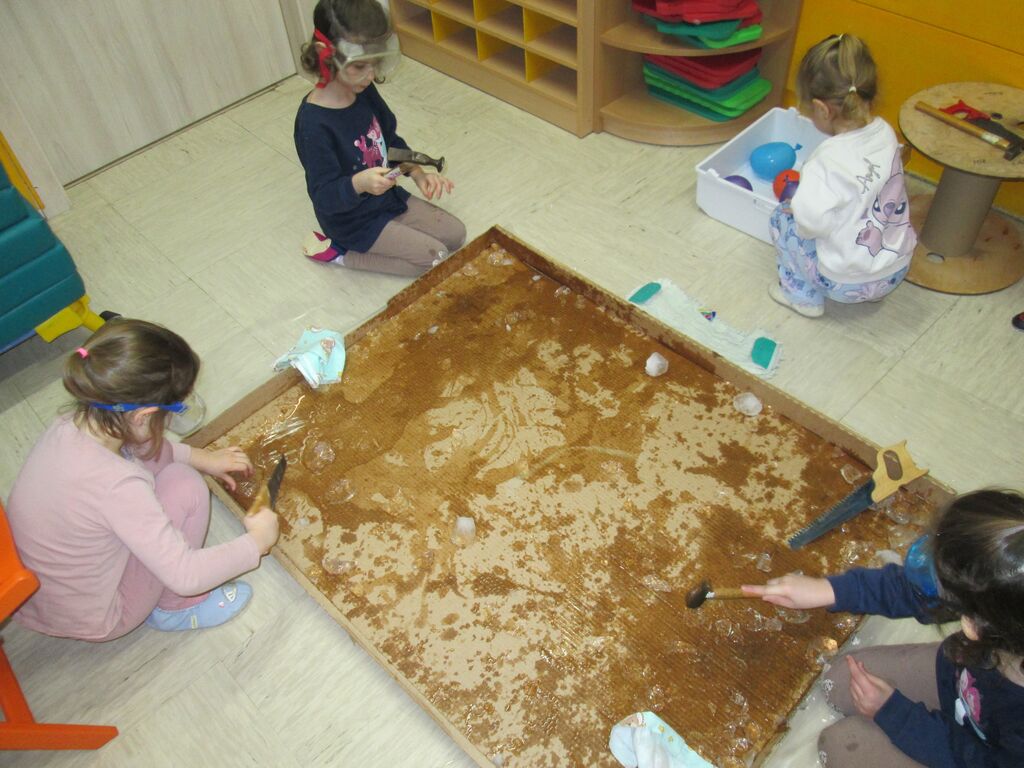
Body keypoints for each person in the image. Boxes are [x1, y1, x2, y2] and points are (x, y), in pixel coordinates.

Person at [6, 319, 280, 641]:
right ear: (143, 416)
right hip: (101, 616)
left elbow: (140, 448)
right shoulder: (118, 487)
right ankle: (175, 609)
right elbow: (186, 573)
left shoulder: (71, 423)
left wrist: (202, 458)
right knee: (186, 484)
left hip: (32, 596)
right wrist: (257, 542)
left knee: (171, 469)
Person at [743, 490, 1024, 767]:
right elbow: (915, 591)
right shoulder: (1002, 598)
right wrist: (829, 591)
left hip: (979, 756)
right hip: (959, 682)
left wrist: (895, 714)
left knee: (840, 744)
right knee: (840, 679)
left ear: (977, 623)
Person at [294, 0, 466, 277]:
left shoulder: (363, 90)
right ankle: (341, 255)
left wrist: (418, 173)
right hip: (352, 220)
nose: (370, 75)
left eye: (375, 64)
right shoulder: (313, 125)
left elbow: (390, 141)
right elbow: (324, 197)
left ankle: (392, 231)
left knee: (456, 235)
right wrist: (359, 183)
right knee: (435, 258)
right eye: (360, 66)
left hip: (387, 199)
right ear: (325, 56)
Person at [768, 34, 916, 318]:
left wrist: (797, 207)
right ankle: (874, 292)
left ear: (822, 109)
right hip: (895, 269)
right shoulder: (886, 134)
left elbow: (811, 224)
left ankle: (801, 296)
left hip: (843, 284)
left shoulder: (825, 161)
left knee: (781, 218)